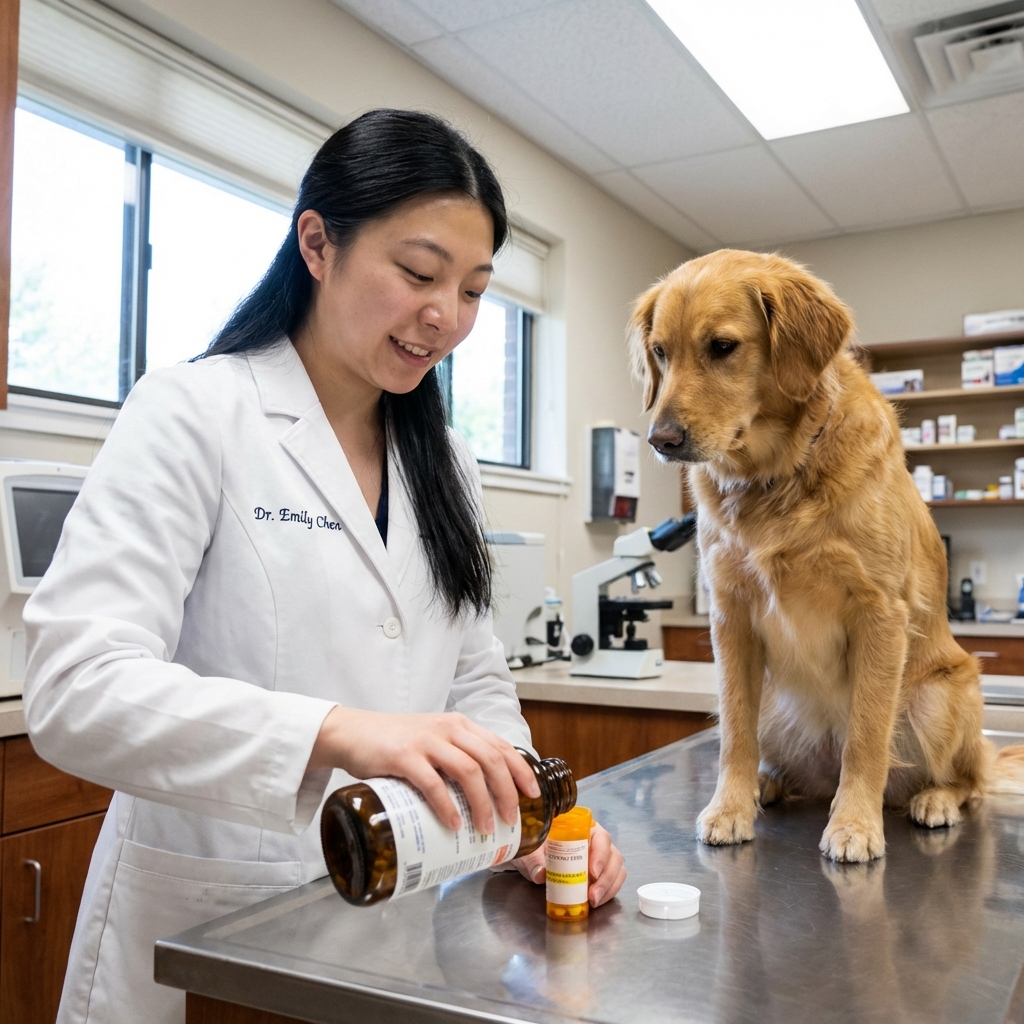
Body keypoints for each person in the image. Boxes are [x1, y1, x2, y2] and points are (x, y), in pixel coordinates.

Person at [23, 108, 626, 1024]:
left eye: (471, 290)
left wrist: (525, 817)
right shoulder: (194, 410)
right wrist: (339, 732)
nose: (446, 317)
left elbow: (472, 677)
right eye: (419, 274)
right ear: (318, 243)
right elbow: (75, 694)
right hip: (212, 921)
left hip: (402, 917)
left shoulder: (444, 460)